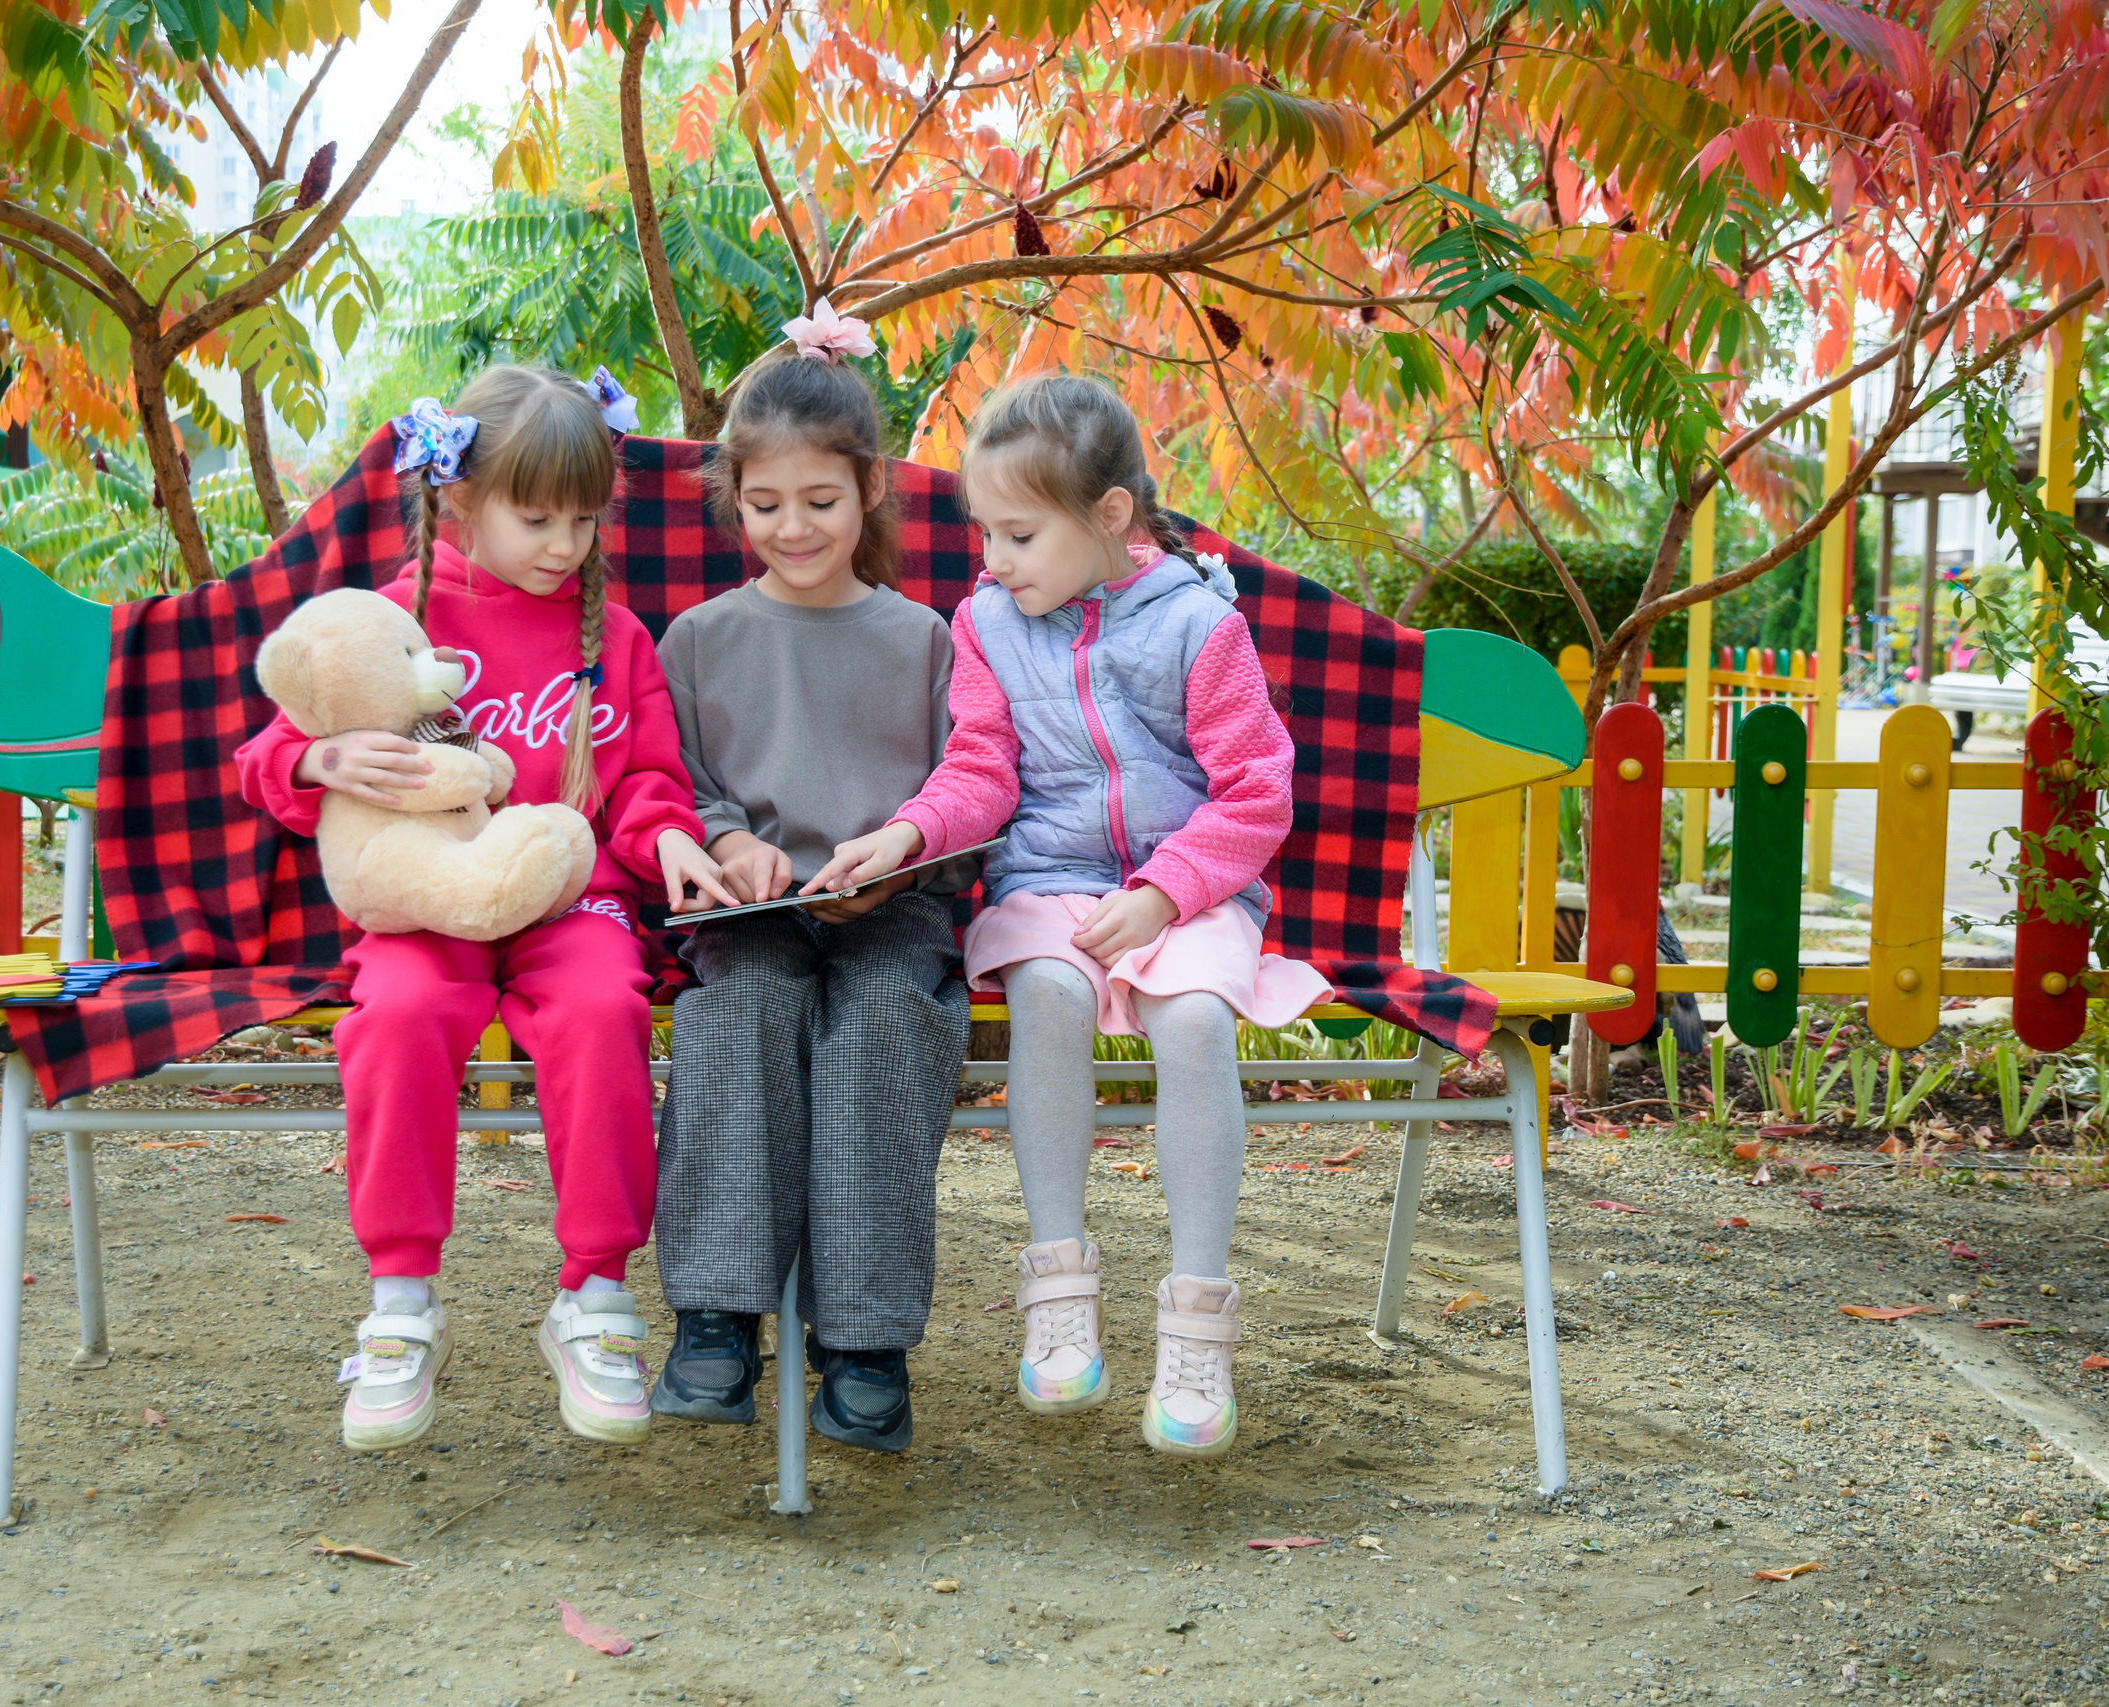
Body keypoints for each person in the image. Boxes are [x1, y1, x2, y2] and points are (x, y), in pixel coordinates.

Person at [809, 373, 1328, 1460]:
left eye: (1016, 534)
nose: (992, 560)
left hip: (1189, 886)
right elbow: (981, 772)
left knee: (1191, 1023)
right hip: (1050, 876)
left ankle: (1195, 1320)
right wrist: (910, 834)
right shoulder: (989, 624)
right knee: (1043, 994)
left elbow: (1255, 794)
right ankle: (1057, 1285)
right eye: (983, 534)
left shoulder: (1198, 624)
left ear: (1108, 518)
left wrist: (1163, 894)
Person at [234, 365, 736, 1452]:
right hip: (423, 902)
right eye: (536, 516)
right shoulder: (391, 622)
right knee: (400, 1018)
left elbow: (646, 784)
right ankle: (401, 1300)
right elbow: (267, 757)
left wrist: (673, 841)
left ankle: (595, 1292)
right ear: (457, 499)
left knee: (607, 1012)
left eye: (585, 518)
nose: (564, 543)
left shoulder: (619, 642)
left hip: (572, 901)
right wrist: (322, 758)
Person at [649, 302, 972, 1454]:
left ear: (870, 491)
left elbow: (966, 786)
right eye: (766, 504)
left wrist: (898, 857)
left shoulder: (926, 639)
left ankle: (866, 1341)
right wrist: (732, 843)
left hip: (895, 906)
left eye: (820, 502)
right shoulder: (695, 640)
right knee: (740, 1009)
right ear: (733, 497)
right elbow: (677, 780)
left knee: (886, 1018)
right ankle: (718, 1319)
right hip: (753, 911)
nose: (792, 528)